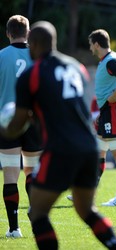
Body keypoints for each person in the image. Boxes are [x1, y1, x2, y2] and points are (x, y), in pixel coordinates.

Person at [0, 20, 116, 249]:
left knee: (37, 212)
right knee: (86, 211)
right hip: (89, 147)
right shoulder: (76, 66)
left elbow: (17, 124)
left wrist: (4, 128)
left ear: (33, 43)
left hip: (61, 149)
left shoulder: (32, 74)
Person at [0, 14, 42, 238]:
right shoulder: (38, 57)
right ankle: (36, 221)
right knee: (31, 172)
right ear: (27, 33)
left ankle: (14, 228)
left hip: (6, 123)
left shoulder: (0, 56)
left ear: (8, 33)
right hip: (33, 122)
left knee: (10, 174)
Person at [88, 29, 116, 206]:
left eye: (91, 44)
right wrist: (103, 110)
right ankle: (90, 191)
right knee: (99, 152)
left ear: (97, 44)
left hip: (114, 110)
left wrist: (114, 97)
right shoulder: (106, 61)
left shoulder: (111, 61)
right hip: (108, 111)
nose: (90, 48)